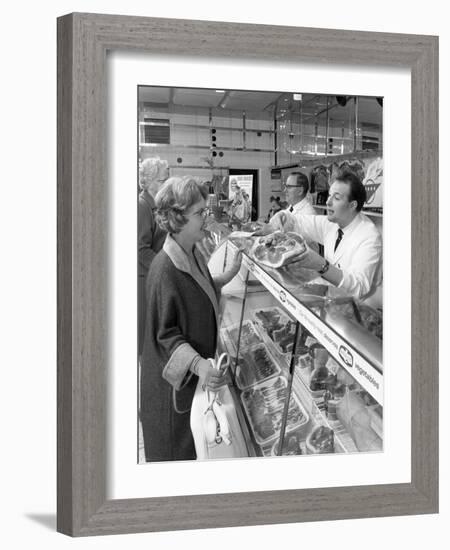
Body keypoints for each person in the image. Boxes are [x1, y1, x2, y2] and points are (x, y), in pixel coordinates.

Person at [140, 176, 242, 462]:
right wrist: (199, 365)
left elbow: (201, 287)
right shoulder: (165, 270)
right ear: (176, 218)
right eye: (200, 213)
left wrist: (230, 273)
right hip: (171, 392)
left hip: (190, 383)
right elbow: (166, 336)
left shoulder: (191, 252)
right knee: (175, 454)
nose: (206, 218)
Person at [259, 171, 382, 303]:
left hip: (358, 311)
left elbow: (359, 287)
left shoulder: (369, 236)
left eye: (336, 198)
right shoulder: (331, 223)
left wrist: (322, 266)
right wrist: (283, 216)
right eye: (329, 195)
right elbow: (299, 221)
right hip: (331, 302)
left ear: (353, 205)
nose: (328, 202)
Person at [138, 157, 169, 355]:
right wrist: (164, 267)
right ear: (149, 182)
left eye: (167, 179)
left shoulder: (156, 205)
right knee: (145, 335)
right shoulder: (141, 207)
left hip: (154, 275)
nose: (166, 185)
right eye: (162, 181)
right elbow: (141, 250)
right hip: (145, 279)